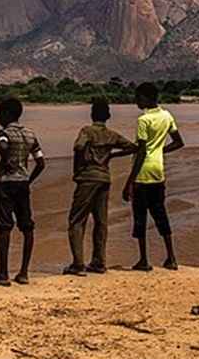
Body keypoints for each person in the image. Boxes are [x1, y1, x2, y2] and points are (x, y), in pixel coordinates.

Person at [64, 98, 137, 276]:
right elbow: (133, 147)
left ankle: (78, 264)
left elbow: (78, 146)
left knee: (76, 221)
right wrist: (111, 155)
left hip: (88, 177)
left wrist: (84, 162)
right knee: (101, 222)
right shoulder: (111, 135)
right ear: (108, 116)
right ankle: (99, 262)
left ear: (91, 114)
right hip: (104, 178)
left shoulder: (87, 131)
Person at [123, 82, 185, 271]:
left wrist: (129, 182)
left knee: (140, 216)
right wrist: (159, 151)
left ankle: (144, 260)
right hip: (158, 172)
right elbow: (178, 142)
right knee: (160, 214)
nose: (136, 101)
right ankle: (171, 258)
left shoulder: (143, 120)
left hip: (143, 174)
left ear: (146, 98)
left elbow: (141, 151)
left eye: (138, 97)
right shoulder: (167, 116)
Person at [0, 97, 45, 286]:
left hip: (6, 183)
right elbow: (41, 163)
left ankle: (3, 274)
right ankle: (24, 272)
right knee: (27, 227)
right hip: (23, 183)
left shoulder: (4, 133)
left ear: (7, 114)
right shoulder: (30, 134)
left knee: (4, 227)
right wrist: (28, 180)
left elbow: (2, 145)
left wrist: (6, 160)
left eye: (0, 114)